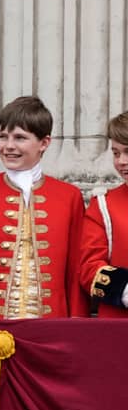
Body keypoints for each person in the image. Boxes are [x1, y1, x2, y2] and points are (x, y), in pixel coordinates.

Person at [0, 96, 89, 319]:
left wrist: (77, 321)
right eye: (3, 137)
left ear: (44, 143)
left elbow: (74, 268)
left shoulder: (69, 196)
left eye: (20, 138)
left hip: (52, 325)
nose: (9, 146)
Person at [79, 111, 128, 317]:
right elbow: (89, 268)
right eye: (116, 153)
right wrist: (125, 289)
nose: (122, 161)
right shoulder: (104, 205)